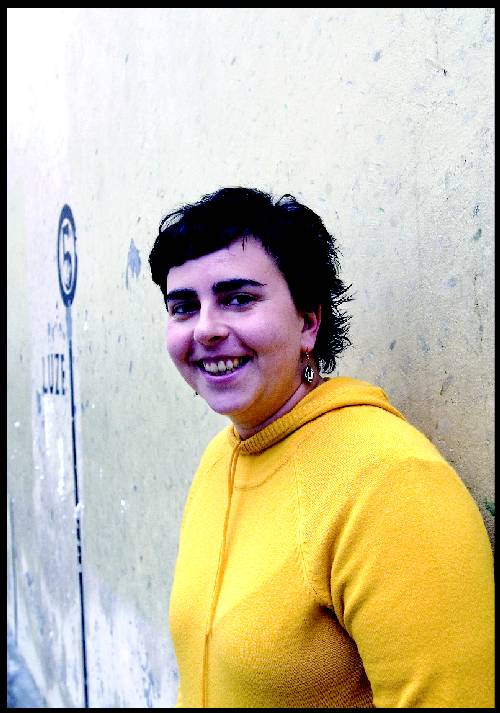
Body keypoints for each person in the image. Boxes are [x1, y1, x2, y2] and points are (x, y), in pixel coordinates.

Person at [148, 187, 494, 708]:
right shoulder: (221, 457)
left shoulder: (389, 482)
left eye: (238, 299)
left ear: (308, 321)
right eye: (183, 307)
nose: (207, 329)